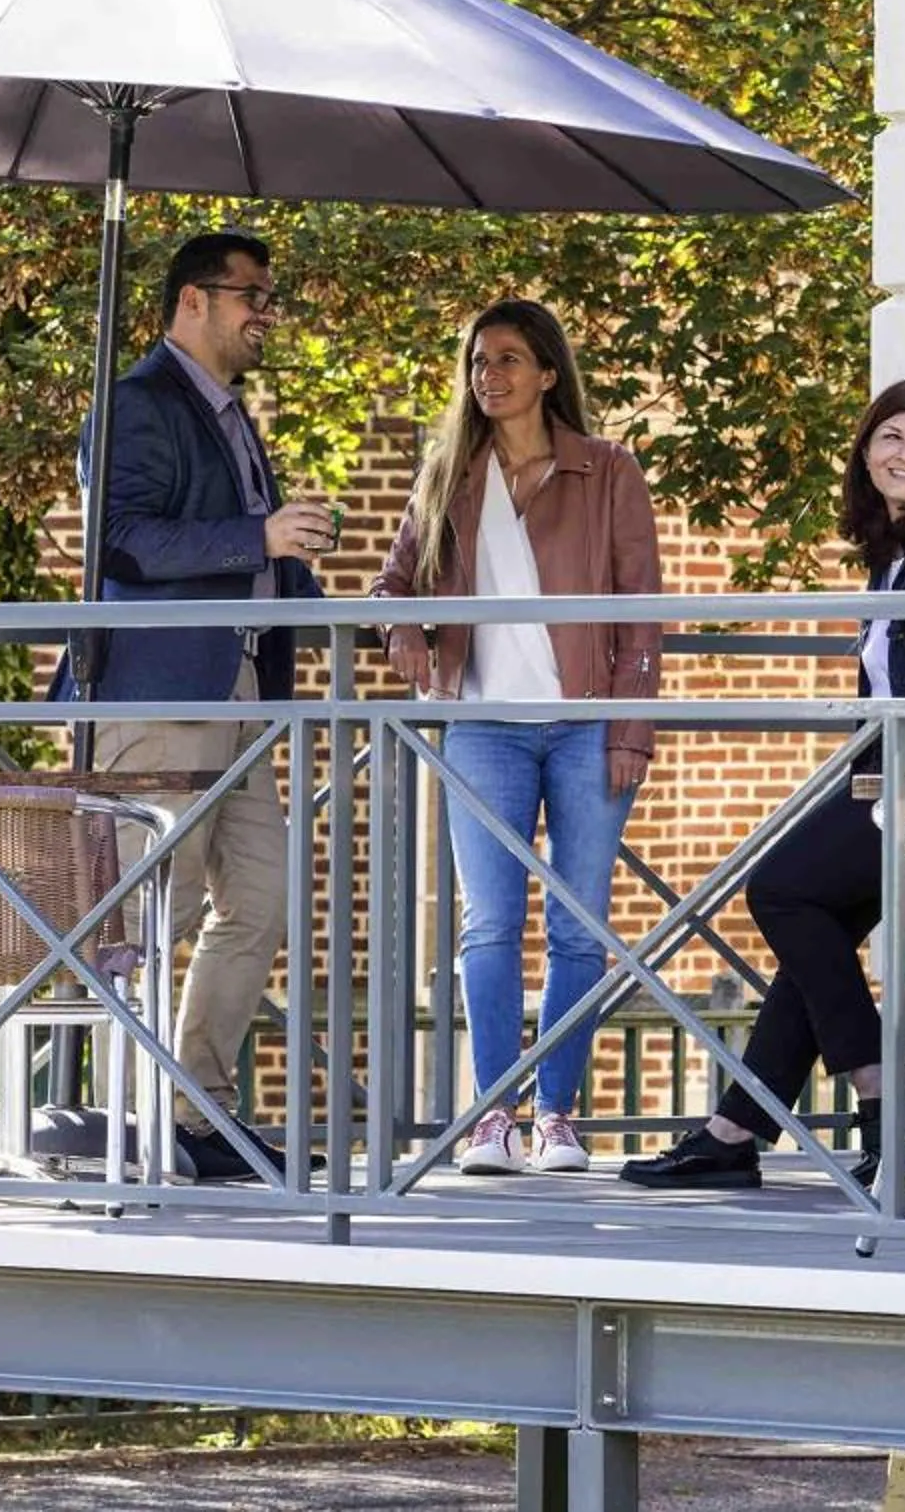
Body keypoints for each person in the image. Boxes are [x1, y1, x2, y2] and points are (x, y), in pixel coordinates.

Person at [621, 379, 905, 1193]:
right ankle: (735, 1130)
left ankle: (877, 1094)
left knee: (780, 890)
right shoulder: (902, 551)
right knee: (819, 935)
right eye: (892, 437)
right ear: (867, 449)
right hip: (897, 772)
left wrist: (879, 784)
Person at [373, 299, 661, 1177]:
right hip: (483, 728)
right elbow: (392, 589)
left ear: (545, 372)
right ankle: (492, 1117)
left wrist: (629, 731)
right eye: (476, 362)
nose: (487, 375)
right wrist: (409, 641)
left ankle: (557, 1115)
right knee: (488, 926)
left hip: (585, 729)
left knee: (579, 927)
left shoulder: (607, 471)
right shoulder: (449, 474)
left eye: (506, 359)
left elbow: (642, 615)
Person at [86, 230, 336, 1183]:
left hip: (243, 697)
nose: (265, 311)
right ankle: (131, 1117)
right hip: (159, 693)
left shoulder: (235, 416)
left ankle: (195, 1111)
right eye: (252, 294)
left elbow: (252, 554)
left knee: (260, 902)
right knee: (156, 911)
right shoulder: (138, 403)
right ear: (193, 300)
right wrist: (258, 532)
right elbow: (121, 540)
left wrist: (342, 605)